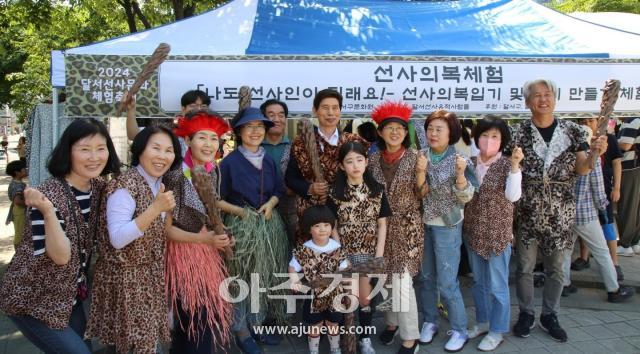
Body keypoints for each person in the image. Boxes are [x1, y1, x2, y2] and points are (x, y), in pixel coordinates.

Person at [0, 119, 120, 354]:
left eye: (101, 148)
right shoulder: (46, 195)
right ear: (68, 152)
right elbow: (61, 256)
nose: (94, 157)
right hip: (32, 300)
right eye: (85, 149)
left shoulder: (97, 188)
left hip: (69, 298)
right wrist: (47, 211)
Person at [510, 79, 607, 343]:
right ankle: (526, 313)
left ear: (555, 98)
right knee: (525, 268)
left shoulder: (574, 131)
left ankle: (550, 315)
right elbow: (511, 170)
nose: (543, 100)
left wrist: (594, 154)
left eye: (547, 94)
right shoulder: (517, 132)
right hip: (527, 210)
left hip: (561, 210)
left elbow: (582, 169)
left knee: (557, 269)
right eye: (537, 96)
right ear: (528, 102)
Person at [87, 125, 181, 353]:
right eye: (155, 148)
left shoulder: (160, 183)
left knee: (144, 344)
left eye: (169, 150)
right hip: (125, 283)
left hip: (148, 277)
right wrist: (155, 208)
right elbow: (118, 238)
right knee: (132, 345)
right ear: (139, 150)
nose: (162, 156)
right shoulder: (124, 185)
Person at [164, 110, 236, 353]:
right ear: (187, 141)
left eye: (214, 138)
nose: (209, 144)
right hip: (183, 256)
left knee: (201, 323)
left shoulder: (212, 170)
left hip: (206, 252)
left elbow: (211, 208)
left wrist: (221, 233)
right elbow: (167, 230)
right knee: (195, 320)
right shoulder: (174, 177)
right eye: (202, 137)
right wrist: (204, 238)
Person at [219, 107, 289, 354]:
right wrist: (241, 213)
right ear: (239, 132)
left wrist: (271, 204)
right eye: (250, 127)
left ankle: (257, 323)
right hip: (241, 227)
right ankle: (241, 330)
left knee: (263, 276)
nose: (256, 131)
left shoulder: (268, 159)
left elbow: (278, 191)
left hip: (268, 226)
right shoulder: (229, 163)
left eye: (260, 127)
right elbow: (216, 199)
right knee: (240, 279)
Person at [368, 101, 426, 354]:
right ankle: (391, 324)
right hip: (379, 230)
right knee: (385, 279)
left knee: (402, 281)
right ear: (380, 132)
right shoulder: (372, 160)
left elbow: (423, 194)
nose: (394, 132)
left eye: (399, 128)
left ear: (405, 133)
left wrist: (422, 174)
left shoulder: (416, 158)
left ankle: (410, 337)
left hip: (407, 228)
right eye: (389, 128)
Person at [417, 109, 477, 352]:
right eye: (430, 128)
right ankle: (430, 321)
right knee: (426, 277)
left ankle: (460, 329)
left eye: (439, 129)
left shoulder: (460, 159)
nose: (433, 133)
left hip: (448, 226)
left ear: (451, 132)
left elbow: (466, 197)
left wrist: (461, 175)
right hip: (423, 225)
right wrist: (420, 171)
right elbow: (417, 194)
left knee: (448, 281)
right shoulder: (420, 156)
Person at [463, 115, 523, 351]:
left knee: (498, 285)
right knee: (479, 283)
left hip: (498, 234)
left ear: (503, 140)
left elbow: (513, 196)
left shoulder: (509, 164)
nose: (489, 140)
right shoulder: (468, 162)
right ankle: (483, 322)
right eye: (485, 135)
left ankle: (497, 330)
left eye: (495, 136)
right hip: (474, 231)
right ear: (477, 138)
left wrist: (516, 166)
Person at [326, 141, 391, 354]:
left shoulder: (377, 190)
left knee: (365, 298)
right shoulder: (335, 192)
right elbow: (332, 225)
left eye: (359, 160)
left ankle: (365, 338)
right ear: (342, 166)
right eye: (349, 161)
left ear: (366, 162)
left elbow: (382, 223)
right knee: (348, 298)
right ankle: (346, 339)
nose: (355, 165)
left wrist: (378, 255)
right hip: (344, 252)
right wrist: (339, 252)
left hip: (368, 252)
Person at [560, 122, 634, 303]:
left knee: (565, 251)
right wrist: (604, 209)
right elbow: (599, 191)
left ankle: (564, 284)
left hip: (564, 214)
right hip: (586, 214)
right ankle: (613, 289)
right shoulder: (591, 159)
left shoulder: (562, 158)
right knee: (601, 252)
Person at [286, 89, 368, 244]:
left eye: (335, 108)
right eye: (325, 108)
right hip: (312, 217)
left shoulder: (353, 141)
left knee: (345, 264)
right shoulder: (300, 143)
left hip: (347, 214)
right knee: (313, 262)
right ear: (315, 110)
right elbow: (290, 178)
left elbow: (365, 177)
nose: (331, 113)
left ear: (340, 111)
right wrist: (310, 189)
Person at [288, 205, 349, 354]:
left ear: (331, 227)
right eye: (317, 225)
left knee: (333, 323)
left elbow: (345, 268)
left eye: (326, 225)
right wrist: (294, 280)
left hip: (334, 294)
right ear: (309, 228)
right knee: (315, 325)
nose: (322, 229)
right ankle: (314, 350)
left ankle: (335, 349)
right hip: (312, 294)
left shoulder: (337, 247)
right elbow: (292, 267)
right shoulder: (304, 249)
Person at [572, 118, 625, 280]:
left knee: (607, 228)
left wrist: (616, 188)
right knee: (595, 243)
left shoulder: (609, 140)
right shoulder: (584, 151)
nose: (587, 124)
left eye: (590, 121)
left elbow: (617, 163)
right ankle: (585, 258)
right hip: (587, 206)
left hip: (600, 195)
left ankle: (615, 264)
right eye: (583, 121)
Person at [260, 99, 297, 247]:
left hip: (290, 212)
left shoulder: (295, 147)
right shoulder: (254, 147)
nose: (277, 119)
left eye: (281, 115)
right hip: (260, 213)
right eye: (271, 115)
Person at [125, 89, 211, 140]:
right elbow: (134, 136)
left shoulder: (212, 132)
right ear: (183, 109)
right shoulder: (168, 129)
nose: (199, 110)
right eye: (193, 106)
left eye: (203, 106)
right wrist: (130, 110)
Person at [615, 116, 640, 256]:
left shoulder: (631, 121)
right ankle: (634, 242)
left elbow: (625, 145)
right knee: (635, 207)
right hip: (636, 168)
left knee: (627, 206)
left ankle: (625, 244)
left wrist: (611, 141)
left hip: (630, 168)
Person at [5, 160, 28, 248]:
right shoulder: (17, 185)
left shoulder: (18, 183)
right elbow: (17, 201)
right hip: (20, 211)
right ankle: (18, 253)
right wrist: (30, 203)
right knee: (20, 233)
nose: (26, 170)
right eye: (24, 169)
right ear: (17, 172)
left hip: (19, 211)